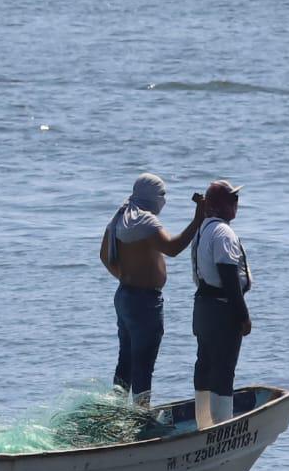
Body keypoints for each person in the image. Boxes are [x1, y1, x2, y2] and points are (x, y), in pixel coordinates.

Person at [99, 172, 205, 405]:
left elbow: (103, 255)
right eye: (162, 195)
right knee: (144, 363)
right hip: (145, 301)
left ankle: (114, 414)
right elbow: (173, 247)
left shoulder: (120, 217)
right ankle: (142, 418)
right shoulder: (145, 221)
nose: (164, 200)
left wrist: (126, 277)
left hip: (125, 296)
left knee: (125, 360)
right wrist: (198, 219)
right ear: (151, 195)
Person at [191, 180, 252, 429]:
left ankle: (203, 423)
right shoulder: (223, 233)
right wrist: (243, 316)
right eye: (233, 199)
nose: (237, 204)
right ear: (221, 205)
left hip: (203, 307)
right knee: (224, 368)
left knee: (205, 363)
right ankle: (222, 426)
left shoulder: (203, 229)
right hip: (221, 307)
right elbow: (228, 277)